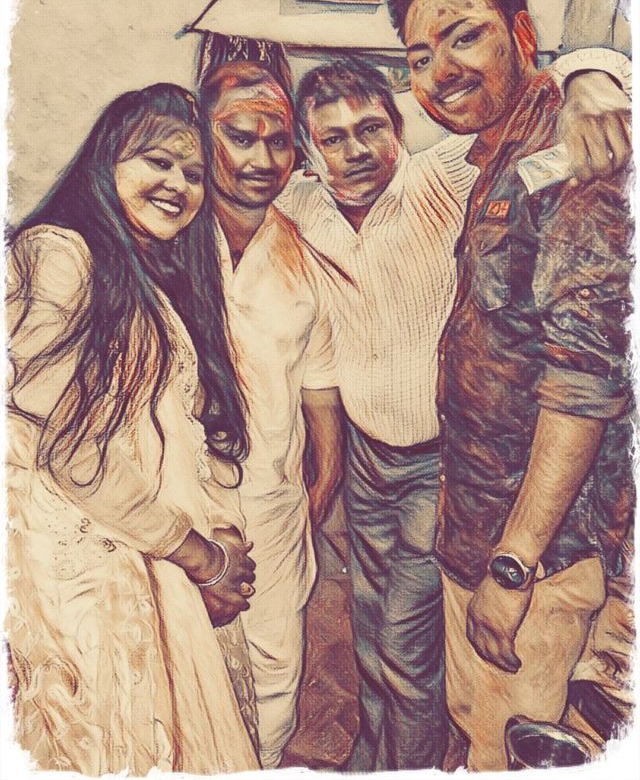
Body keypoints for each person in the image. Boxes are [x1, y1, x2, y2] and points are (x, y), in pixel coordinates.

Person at [277, 45, 631, 770]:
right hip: (367, 463)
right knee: (370, 630)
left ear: (398, 126)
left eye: (371, 128)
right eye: (334, 138)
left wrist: (591, 74)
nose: (357, 151)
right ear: (310, 154)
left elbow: (533, 95)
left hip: (436, 467)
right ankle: (377, 756)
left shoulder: (447, 177)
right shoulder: (303, 206)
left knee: (405, 648)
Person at [386, 0, 634, 770]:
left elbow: (582, 383)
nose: (441, 70)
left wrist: (513, 566)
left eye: (465, 36)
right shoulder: (500, 154)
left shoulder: (571, 153)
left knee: (507, 746)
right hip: (480, 528)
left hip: (536, 562)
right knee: (479, 729)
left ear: (523, 36)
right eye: (420, 56)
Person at [6, 83, 260, 775]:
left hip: (157, 557)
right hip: (87, 590)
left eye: (194, 173)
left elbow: (183, 437)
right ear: (106, 162)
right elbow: (69, 453)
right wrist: (201, 557)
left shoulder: (151, 276)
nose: (178, 184)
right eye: (157, 161)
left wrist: (220, 536)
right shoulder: (59, 254)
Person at [200, 60, 344, 768]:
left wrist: (323, 479)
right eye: (239, 136)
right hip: (174, 503)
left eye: (278, 140)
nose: (261, 158)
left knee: (274, 665)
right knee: (180, 669)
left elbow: (319, 379)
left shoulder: (301, 244)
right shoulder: (164, 227)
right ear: (202, 136)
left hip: (273, 504)